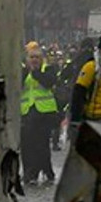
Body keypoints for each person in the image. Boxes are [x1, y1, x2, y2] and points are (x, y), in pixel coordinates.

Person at [19, 44, 59, 185]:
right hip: (27, 111)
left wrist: (35, 73)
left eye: (37, 57)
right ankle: (30, 173)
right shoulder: (23, 71)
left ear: (41, 59)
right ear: (27, 59)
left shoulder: (48, 69)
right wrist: (26, 72)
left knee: (42, 144)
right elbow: (17, 85)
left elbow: (49, 82)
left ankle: (46, 171)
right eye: (31, 57)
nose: (34, 60)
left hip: (44, 112)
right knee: (27, 144)